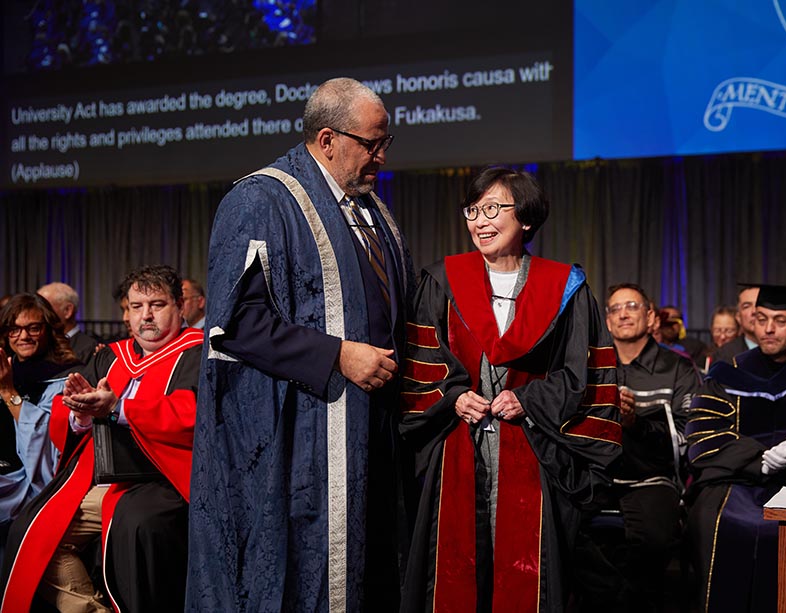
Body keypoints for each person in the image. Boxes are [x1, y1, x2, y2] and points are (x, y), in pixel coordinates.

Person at [186, 77, 414, 612]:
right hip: (296, 438)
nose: (382, 156)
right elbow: (236, 322)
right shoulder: (260, 199)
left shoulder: (371, 210)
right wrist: (337, 354)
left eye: (386, 143)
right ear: (329, 138)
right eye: (372, 144)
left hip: (370, 426)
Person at [398, 167, 621, 612]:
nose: (480, 220)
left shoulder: (564, 287)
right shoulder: (442, 281)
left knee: (527, 571)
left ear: (526, 219)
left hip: (535, 446)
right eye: (473, 210)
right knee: (453, 569)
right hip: (457, 445)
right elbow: (419, 364)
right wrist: (453, 394)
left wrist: (529, 399)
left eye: (494, 208)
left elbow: (586, 373)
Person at [1, 265, 204, 613]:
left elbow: (193, 414)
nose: (146, 316)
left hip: (167, 476)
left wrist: (118, 408)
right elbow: (67, 418)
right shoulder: (112, 355)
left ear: (180, 306)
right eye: (137, 306)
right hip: (102, 476)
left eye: (157, 304)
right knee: (31, 532)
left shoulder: (198, 353)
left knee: (136, 526)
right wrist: (80, 413)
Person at [685, 284, 786, 613]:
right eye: (761, 319)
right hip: (738, 478)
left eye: (780, 320)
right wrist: (758, 460)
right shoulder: (728, 372)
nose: (768, 329)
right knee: (711, 516)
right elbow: (702, 431)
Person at [573, 283, 700, 612]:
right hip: (594, 477)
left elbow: (688, 437)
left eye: (632, 305)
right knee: (561, 528)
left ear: (650, 315)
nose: (624, 313)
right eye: (615, 308)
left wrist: (635, 423)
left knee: (650, 543)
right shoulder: (587, 368)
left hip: (652, 479)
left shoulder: (679, 369)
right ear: (607, 320)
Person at [0, 294, 80, 549]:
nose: (23, 336)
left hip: (26, 484)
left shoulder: (65, 377)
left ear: (48, 330)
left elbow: (44, 440)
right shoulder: (6, 368)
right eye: (15, 329)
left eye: (33, 327)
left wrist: (8, 393)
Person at [38, 282, 98, 365]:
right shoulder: (40, 344)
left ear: (67, 310)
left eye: (44, 308)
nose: (38, 314)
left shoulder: (89, 348)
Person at [710, 285, 760, 364]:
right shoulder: (724, 354)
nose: (754, 311)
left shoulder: (782, 350)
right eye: (746, 306)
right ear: (738, 317)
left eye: (758, 305)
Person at [704, 305, 739, 371]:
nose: (722, 336)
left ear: (738, 331)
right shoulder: (705, 357)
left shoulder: (742, 358)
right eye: (717, 330)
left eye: (729, 331)